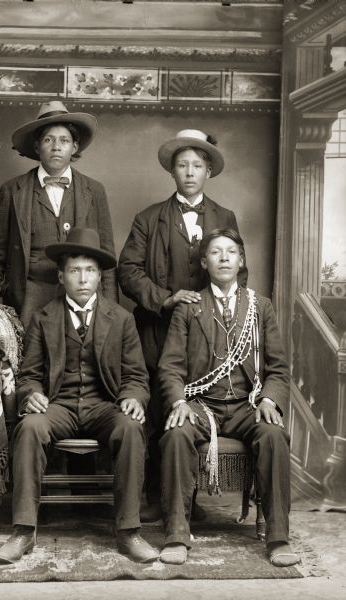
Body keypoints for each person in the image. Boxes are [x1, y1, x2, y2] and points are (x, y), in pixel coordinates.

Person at [0, 228, 159, 564]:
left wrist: (132, 398)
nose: (82, 278)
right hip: (60, 405)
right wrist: (32, 394)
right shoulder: (43, 318)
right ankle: (23, 531)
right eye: (74, 270)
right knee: (28, 428)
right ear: (61, 276)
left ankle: (129, 532)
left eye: (90, 270)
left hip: (105, 404)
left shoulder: (122, 319)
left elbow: (137, 377)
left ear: (100, 276)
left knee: (130, 427)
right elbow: (29, 375)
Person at [118, 129, 247, 520]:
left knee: (198, 410)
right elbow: (128, 270)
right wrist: (165, 298)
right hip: (158, 332)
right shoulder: (149, 218)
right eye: (182, 165)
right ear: (172, 172)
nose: (189, 172)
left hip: (209, 340)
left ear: (208, 171)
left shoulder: (225, 217)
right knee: (162, 412)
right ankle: (160, 500)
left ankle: (193, 500)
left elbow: (241, 270)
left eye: (197, 165)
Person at [157, 228, 298, 567]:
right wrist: (178, 402)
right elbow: (170, 367)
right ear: (204, 262)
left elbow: (278, 368)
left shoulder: (259, 306)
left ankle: (278, 538)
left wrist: (269, 401)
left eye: (230, 252)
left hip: (248, 405)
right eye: (215, 252)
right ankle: (177, 534)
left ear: (241, 260)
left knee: (275, 434)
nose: (223, 258)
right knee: (175, 435)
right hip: (201, 405)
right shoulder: (188, 308)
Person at [0, 101, 118, 327]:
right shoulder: (12, 190)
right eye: (49, 140)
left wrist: (109, 307)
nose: (56, 147)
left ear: (74, 147)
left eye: (64, 140)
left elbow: (106, 255)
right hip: (29, 295)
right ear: (37, 147)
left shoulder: (94, 191)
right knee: (30, 359)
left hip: (82, 295)